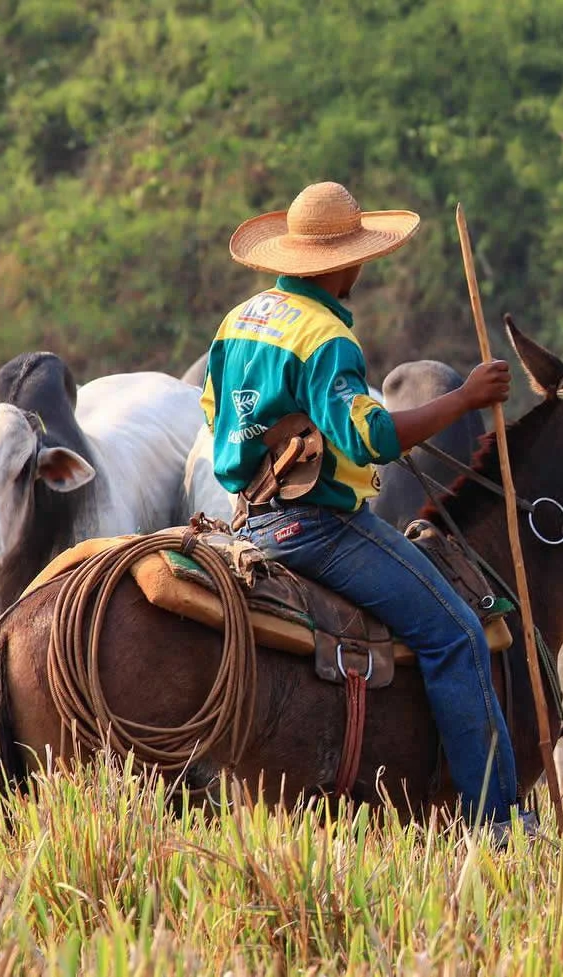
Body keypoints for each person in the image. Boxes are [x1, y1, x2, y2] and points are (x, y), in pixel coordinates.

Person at [200, 181, 530, 836]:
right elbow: (370, 438)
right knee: (458, 632)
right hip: (317, 526)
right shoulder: (326, 339)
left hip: (248, 515)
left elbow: (213, 411)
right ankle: (496, 822)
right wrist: (465, 399)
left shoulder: (238, 321)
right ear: (343, 263)